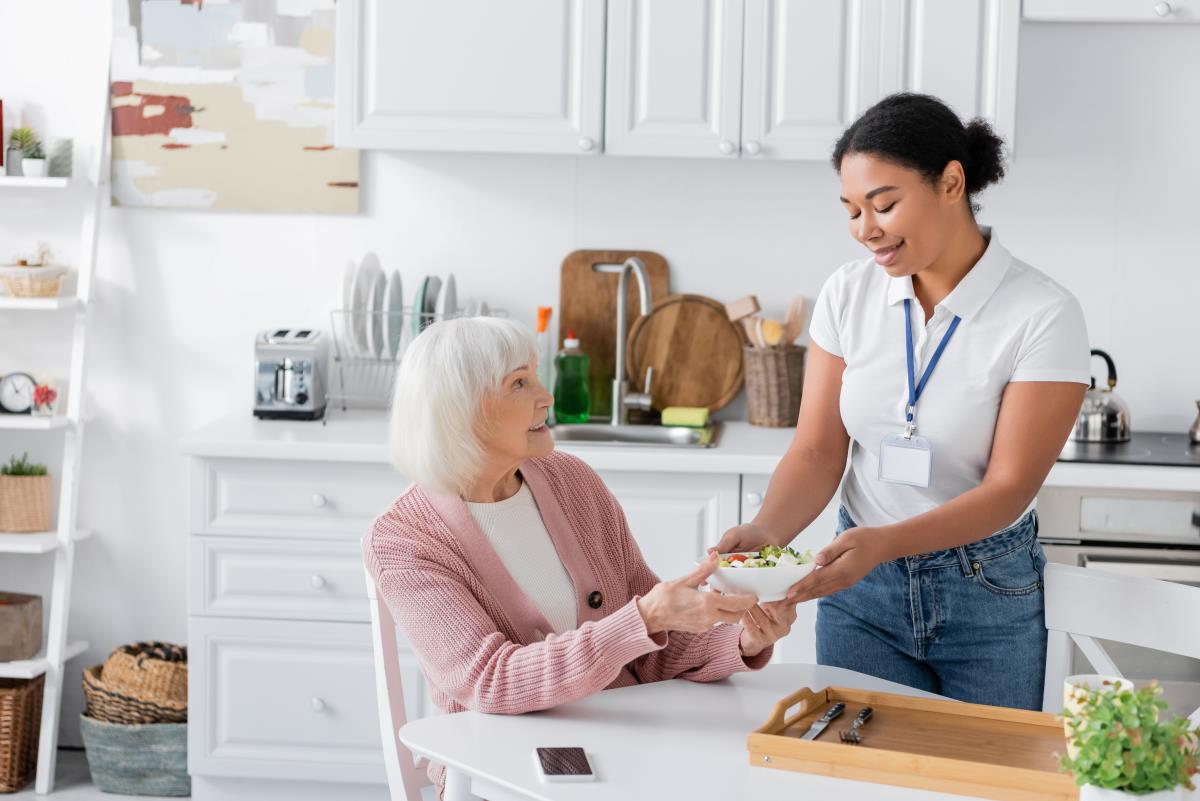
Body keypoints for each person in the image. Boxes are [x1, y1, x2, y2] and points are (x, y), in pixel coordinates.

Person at [715, 93, 1090, 710]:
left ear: (951, 182)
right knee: (859, 775)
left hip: (986, 590)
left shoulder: (1043, 314)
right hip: (859, 590)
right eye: (852, 210)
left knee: (983, 776)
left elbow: (1008, 489)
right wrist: (764, 531)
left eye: (884, 205)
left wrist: (886, 544)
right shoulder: (848, 293)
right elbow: (815, 452)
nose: (866, 230)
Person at [364, 316, 798, 793]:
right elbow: (491, 681)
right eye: (519, 383)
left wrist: (740, 641)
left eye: (534, 374)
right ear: (461, 411)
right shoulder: (403, 540)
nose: (546, 395)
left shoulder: (571, 481)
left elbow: (649, 652)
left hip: (620, 745)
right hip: (501, 764)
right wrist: (644, 619)